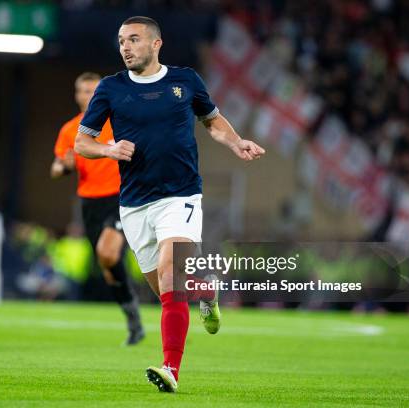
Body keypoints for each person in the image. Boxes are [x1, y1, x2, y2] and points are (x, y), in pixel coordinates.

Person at [74, 16, 265, 392]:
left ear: (156, 44)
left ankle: (170, 370)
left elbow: (211, 120)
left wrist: (236, 141)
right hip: (134, 205)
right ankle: (206, 291)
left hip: (180, 196)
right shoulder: (111, 89)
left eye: (133, 39)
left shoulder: (185, 80)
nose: (125, 47)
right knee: (165, 290)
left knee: (170, 277)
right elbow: (83, 142)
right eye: (121, 41)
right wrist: (108, 149)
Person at [50, 72, 145, 345]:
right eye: (82, 91)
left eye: (93, 91)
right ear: (76, 95)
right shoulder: (70, 130)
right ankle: (133, 318)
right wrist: (64, 166)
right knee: (107, 266)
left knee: (107, 251)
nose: (87, 96)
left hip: (122, 196)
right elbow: (56, 166)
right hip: (90, 202)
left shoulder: (119, 120)